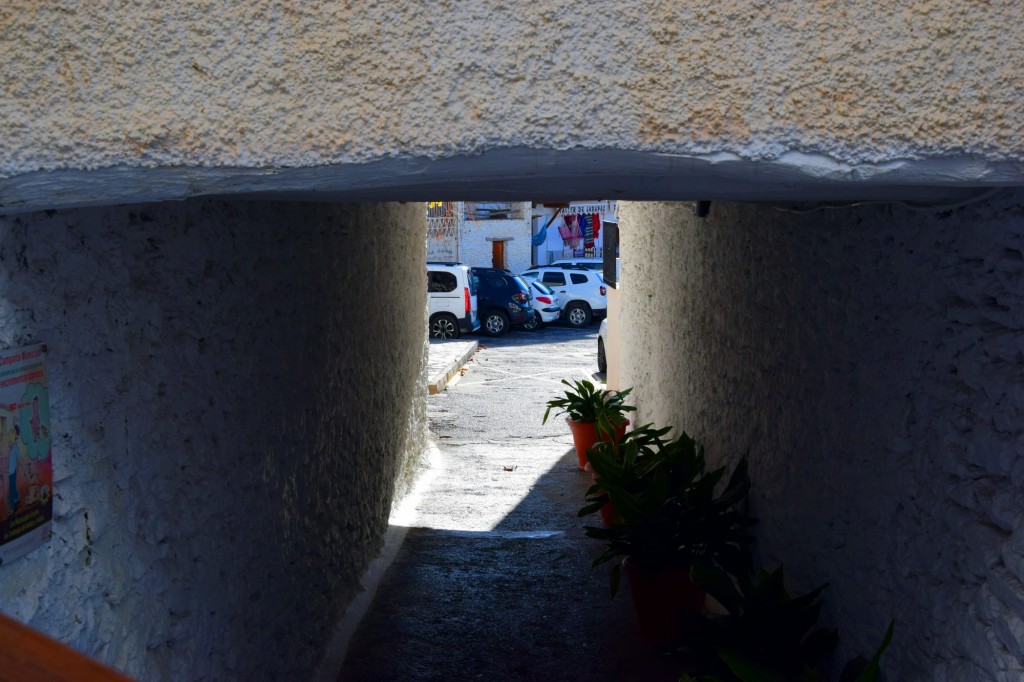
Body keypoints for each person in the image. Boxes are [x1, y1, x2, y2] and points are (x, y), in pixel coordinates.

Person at [8, 424, 20, 513]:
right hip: (9, 471)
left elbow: (18, 457)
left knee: (11, 489)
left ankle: (12, 508)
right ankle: (16, 498)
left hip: (12, 471)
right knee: (12, 487)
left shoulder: (15, 447)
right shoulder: (9, 447)